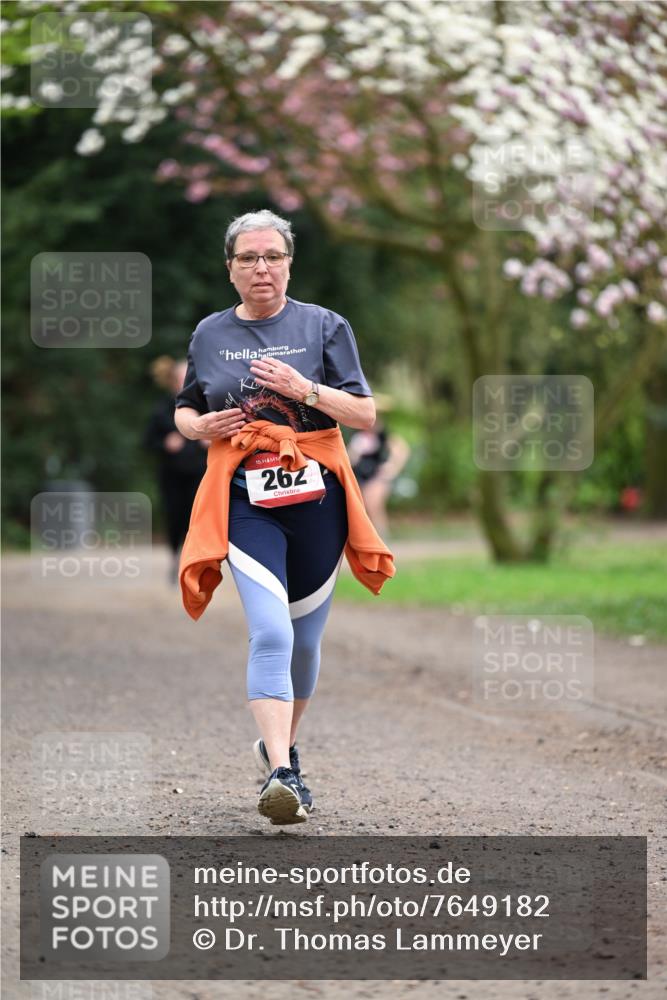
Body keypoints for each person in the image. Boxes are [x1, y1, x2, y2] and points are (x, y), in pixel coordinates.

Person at [174, 209, 394, 826]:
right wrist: (199, 427)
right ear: (231, 269)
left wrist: (305, 391)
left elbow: (365, 416)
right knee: (271, 633)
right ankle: (280, 773)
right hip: (246, 502)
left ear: (289, 263)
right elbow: (186, 410)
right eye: (249, 258)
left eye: (272, 256)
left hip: (317, 501)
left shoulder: (325, 326)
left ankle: (285, 748)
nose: (261, 267)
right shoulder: (209, 334)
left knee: (305, 644)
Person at [143, 357, 208, 583]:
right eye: (180, 378)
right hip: (171, 475)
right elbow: (147, 442)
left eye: (188, 377)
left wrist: (212, 440)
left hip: (201, 475)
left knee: (197, 520)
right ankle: (174, 558)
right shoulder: (162, 409)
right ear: (172, 381)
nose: (184, 381)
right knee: (174, 518)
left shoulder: (207, 406)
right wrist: (165, 443)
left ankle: (194, 565)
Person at [348, 400, 411, 538]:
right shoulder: (358, 437)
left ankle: (381, 535)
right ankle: (370, 536)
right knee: (363, 504)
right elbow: (351, 458)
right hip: (362, 475)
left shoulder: (384, 436)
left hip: (379, 476)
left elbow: (402, 450)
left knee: (374, 501)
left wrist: (392, 467)